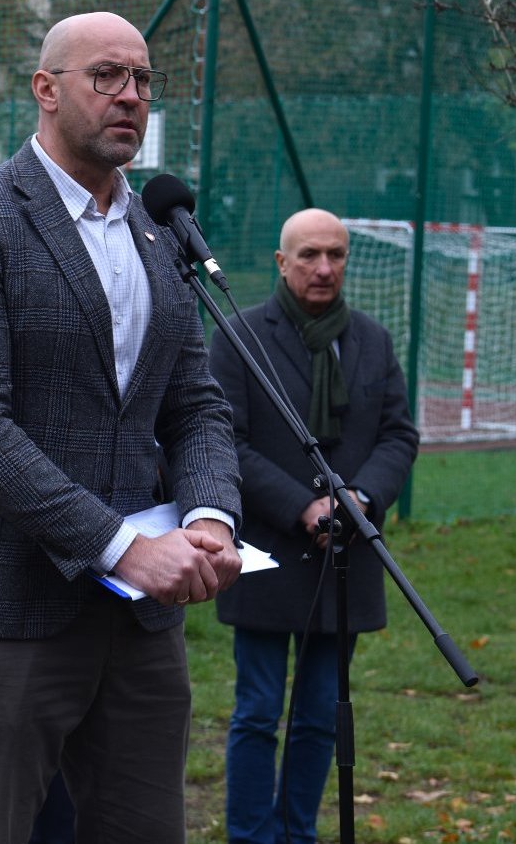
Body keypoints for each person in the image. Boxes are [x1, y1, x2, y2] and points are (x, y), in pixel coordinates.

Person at [0, 11, 243, 844]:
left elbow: (194, 403)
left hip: (138, 619)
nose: (131, 95)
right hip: (0, 607)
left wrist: (206, 518)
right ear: (46, 90)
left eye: (144, 80)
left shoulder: (160, 232)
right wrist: (125, 547)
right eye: (108, 76)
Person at [209, 208, 419, 844]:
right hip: (268, 555)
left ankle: (299, 833)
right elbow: (225, 440)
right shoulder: (239, 334)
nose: (323, 267)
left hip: (346, 558)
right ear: (281, 261)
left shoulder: (373, 341)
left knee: (321, 718)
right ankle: (250, 836)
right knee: (257, 712)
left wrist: (360, 499)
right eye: (308, 255)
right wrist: (303, 505)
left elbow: (398, 435)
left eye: (335, 254)